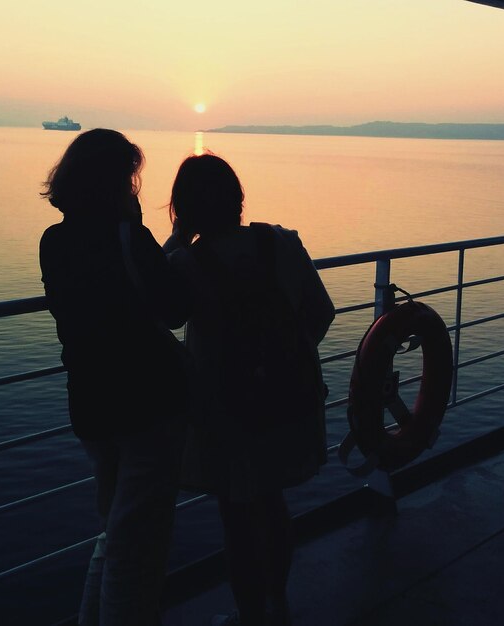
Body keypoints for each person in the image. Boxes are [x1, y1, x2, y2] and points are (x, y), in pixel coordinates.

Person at [163, 153, 335, 626]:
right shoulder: (282, 242)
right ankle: (278, 601)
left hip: (226, 413)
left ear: (185, 207)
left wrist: (176, 238)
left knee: (236, 519)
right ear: (238, 197)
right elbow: (322, 312)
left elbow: (153, 306)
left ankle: (250, 615)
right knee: (273, 504)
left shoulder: (185, 264)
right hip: (287, 403)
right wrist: (281, 364)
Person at [39, 129, 191, 626]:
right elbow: (171, 309)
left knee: (116, 532)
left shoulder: (54, 242)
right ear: (115, 181)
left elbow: (109, 299)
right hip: (147, 404)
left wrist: (155, 243)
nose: (135, 185)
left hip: (91, 404)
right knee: (137, 549)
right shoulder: (128, 235)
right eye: (129, 175)